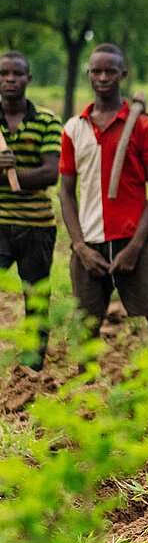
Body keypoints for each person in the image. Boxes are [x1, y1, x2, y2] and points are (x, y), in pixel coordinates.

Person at [59, 43, 148, 383]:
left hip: (133, 242)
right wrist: (79, 246)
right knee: (86, 324)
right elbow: (66, 192)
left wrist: (135, 247)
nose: (103, 77)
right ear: (88, 75)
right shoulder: (74, 129)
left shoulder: (142, 127)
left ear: (123, 74)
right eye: (96, 71)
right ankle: (87, 398)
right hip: (90, 244)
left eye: (111, 71)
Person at [0, 50, 62, 370]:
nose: (11, 79)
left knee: (36, 299)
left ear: (29, 79)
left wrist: (13, 175)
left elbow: (51, 173)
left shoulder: (48, 121)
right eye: (4, 74)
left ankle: (32, 368)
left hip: (37, 225)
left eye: (17, 74)